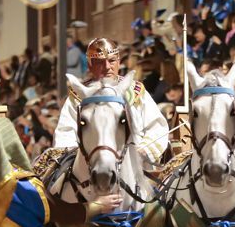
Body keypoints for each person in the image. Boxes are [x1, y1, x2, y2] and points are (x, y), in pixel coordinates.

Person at [54, 37, 170, 167]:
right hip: (91, 170)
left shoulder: (136, 91)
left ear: (119, 62)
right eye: (99, 62)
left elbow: (156, 126)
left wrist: (144, 150)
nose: (107, 67)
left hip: (135, 167)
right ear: (89, 65)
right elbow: (66, 132)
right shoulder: (79, 95)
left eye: (112, 61)